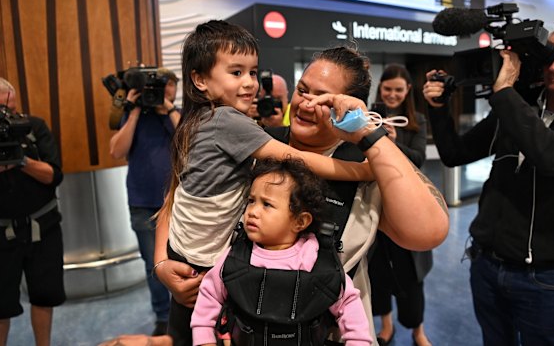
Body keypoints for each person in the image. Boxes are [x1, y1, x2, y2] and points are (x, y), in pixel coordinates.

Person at [154, 42, 449, 346]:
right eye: (304, 90)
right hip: (240, 329)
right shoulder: (255, 143)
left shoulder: (363, 166)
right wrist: (161, 262)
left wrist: (366, 132)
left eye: (324, 99)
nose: (307, 104)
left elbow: (427, 232)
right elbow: (178, 198)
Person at [422, 21, 554, 346]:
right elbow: (455, 153)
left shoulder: (511, 104)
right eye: (552, 56)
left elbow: (553, 157)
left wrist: (505, 94)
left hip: (547, 279)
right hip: (486, 265)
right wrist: (438, 109)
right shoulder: (519, 105)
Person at [191, 157, 372, 346]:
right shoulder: (236, 257)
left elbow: (348, 303)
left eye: (266, 204)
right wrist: (204, 340)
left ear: (300, 221)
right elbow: (209, 296)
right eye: (251, 201)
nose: (253, 211)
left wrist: (358, 341)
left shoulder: (316, 259)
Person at [0, 76, 66, 346]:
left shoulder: (33, 127)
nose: (6, 116)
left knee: (44, 296)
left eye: (11, 108)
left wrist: (22, 160)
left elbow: (54, 175)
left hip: (43, 229)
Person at [109, 68, 180, 335]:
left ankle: (185, 313)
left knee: (185, 260)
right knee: (154, 265)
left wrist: (169, 108)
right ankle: (163, 317)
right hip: (142, 202)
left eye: (169, 85)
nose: (165, 90)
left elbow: (192, 143)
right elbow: (116, 150)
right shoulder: (133, 114)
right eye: (162, 86)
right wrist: (135, 110)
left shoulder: (178, 114)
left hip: (177, 204)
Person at [368, 64, 433, 346]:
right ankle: (386, 326)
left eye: (398, 90)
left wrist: (391, 144)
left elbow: (419, 158)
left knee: (411, 276)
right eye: (387, 89)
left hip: (408, 208)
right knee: (377, 272)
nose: (392, 95)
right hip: (376, 208)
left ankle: (418, 331)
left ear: (407, 91)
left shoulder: (416, 119)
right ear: (380, 89)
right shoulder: (369, 116)